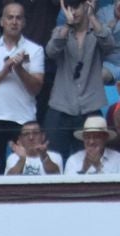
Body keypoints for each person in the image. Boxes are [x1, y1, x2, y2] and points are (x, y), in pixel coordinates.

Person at [0, 2, 45, 168]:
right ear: (1, 21)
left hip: (23, 119)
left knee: (27, 168)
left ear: (24, 22)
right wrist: (3, 72)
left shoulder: (36, 50)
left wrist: (19, 69)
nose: (14, 22)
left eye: (18, 18)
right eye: (10, 17)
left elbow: (36, 88)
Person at [44, 0, 116, 160]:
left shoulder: (98, 31)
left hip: (90, 106)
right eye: (68, 7)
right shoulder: (60, 31)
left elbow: (109, 45)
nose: (72, 11)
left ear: (86, 5)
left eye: (76, 6)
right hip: (61, 106)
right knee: (53, 160)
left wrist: (92, 16)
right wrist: (67, 26)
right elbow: (51, 51)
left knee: (90, 162)